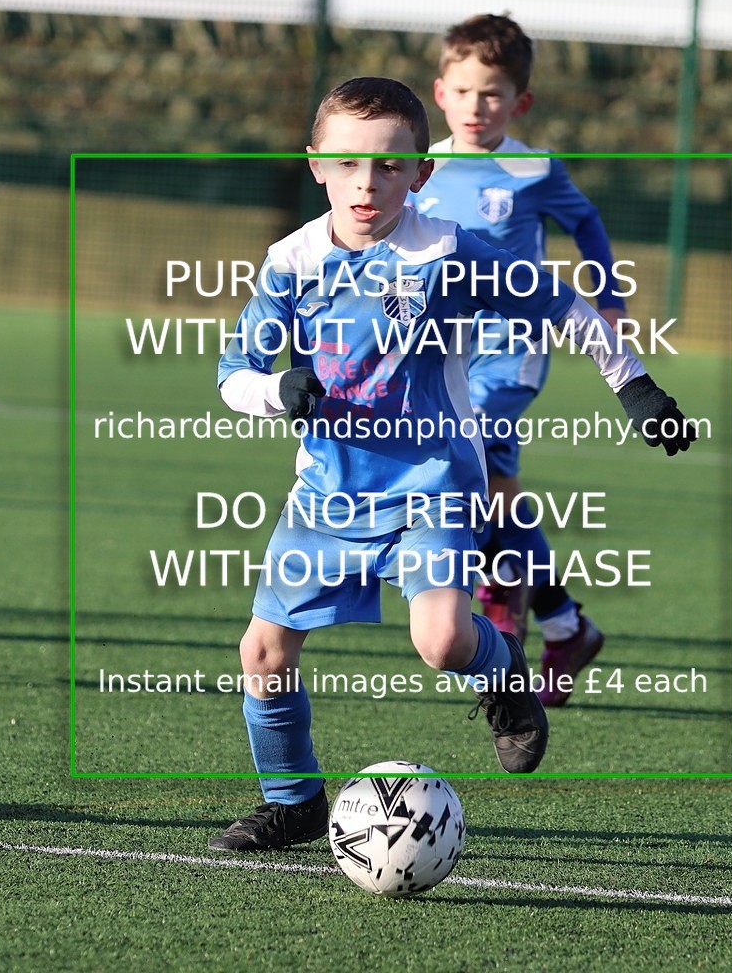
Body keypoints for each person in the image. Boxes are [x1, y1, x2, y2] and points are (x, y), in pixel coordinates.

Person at [209, 76, 694, 853]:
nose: (368, 183)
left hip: (434, 480)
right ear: (316, 164)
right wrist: (276, 390)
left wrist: (634, 384)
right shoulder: (289, 262)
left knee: (440, 640)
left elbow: (560, 303)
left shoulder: (445, 251)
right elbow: (233, 372)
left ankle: (506, 686)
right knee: (262, 651)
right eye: (349, 163)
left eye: (392, 166)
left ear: (422, 172)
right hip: (330, 489)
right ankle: (294, 801)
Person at [414, 13, 627, 706]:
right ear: (441, 91)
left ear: (520, 101)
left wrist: (609, 295)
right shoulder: (422, 169)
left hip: (512, 353)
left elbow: (588, 222)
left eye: (494, 94)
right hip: (444, 357)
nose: (478, 107)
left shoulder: (534, 170)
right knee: (498, 489)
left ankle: (501, 601)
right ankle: (564, 625)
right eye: (465, 91)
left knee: (468, 457)